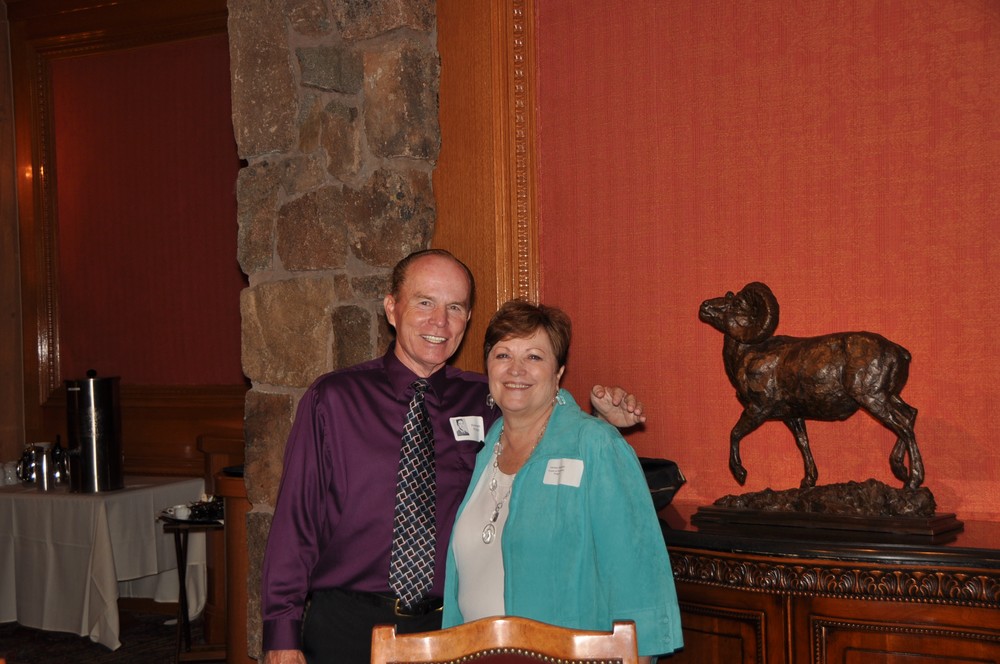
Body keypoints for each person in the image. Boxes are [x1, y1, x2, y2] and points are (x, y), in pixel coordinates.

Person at [261, 249, 646, 664]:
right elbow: (295, 524)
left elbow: (546, 438)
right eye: (425, 302)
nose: (439, 322)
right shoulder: (334, 399)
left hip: (455, 632)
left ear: (467, 319)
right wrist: (282, 636)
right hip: (348, 628)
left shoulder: (489, 400)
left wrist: (599, 423)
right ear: (392, 308)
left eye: (455, 307)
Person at [442, 300, 683, 661]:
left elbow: (638, 582)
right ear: (488, 366)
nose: (516, 369)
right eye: (503, 355)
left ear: (558, 373)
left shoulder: (595, 445)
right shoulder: (485, 447)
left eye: (534, 357)